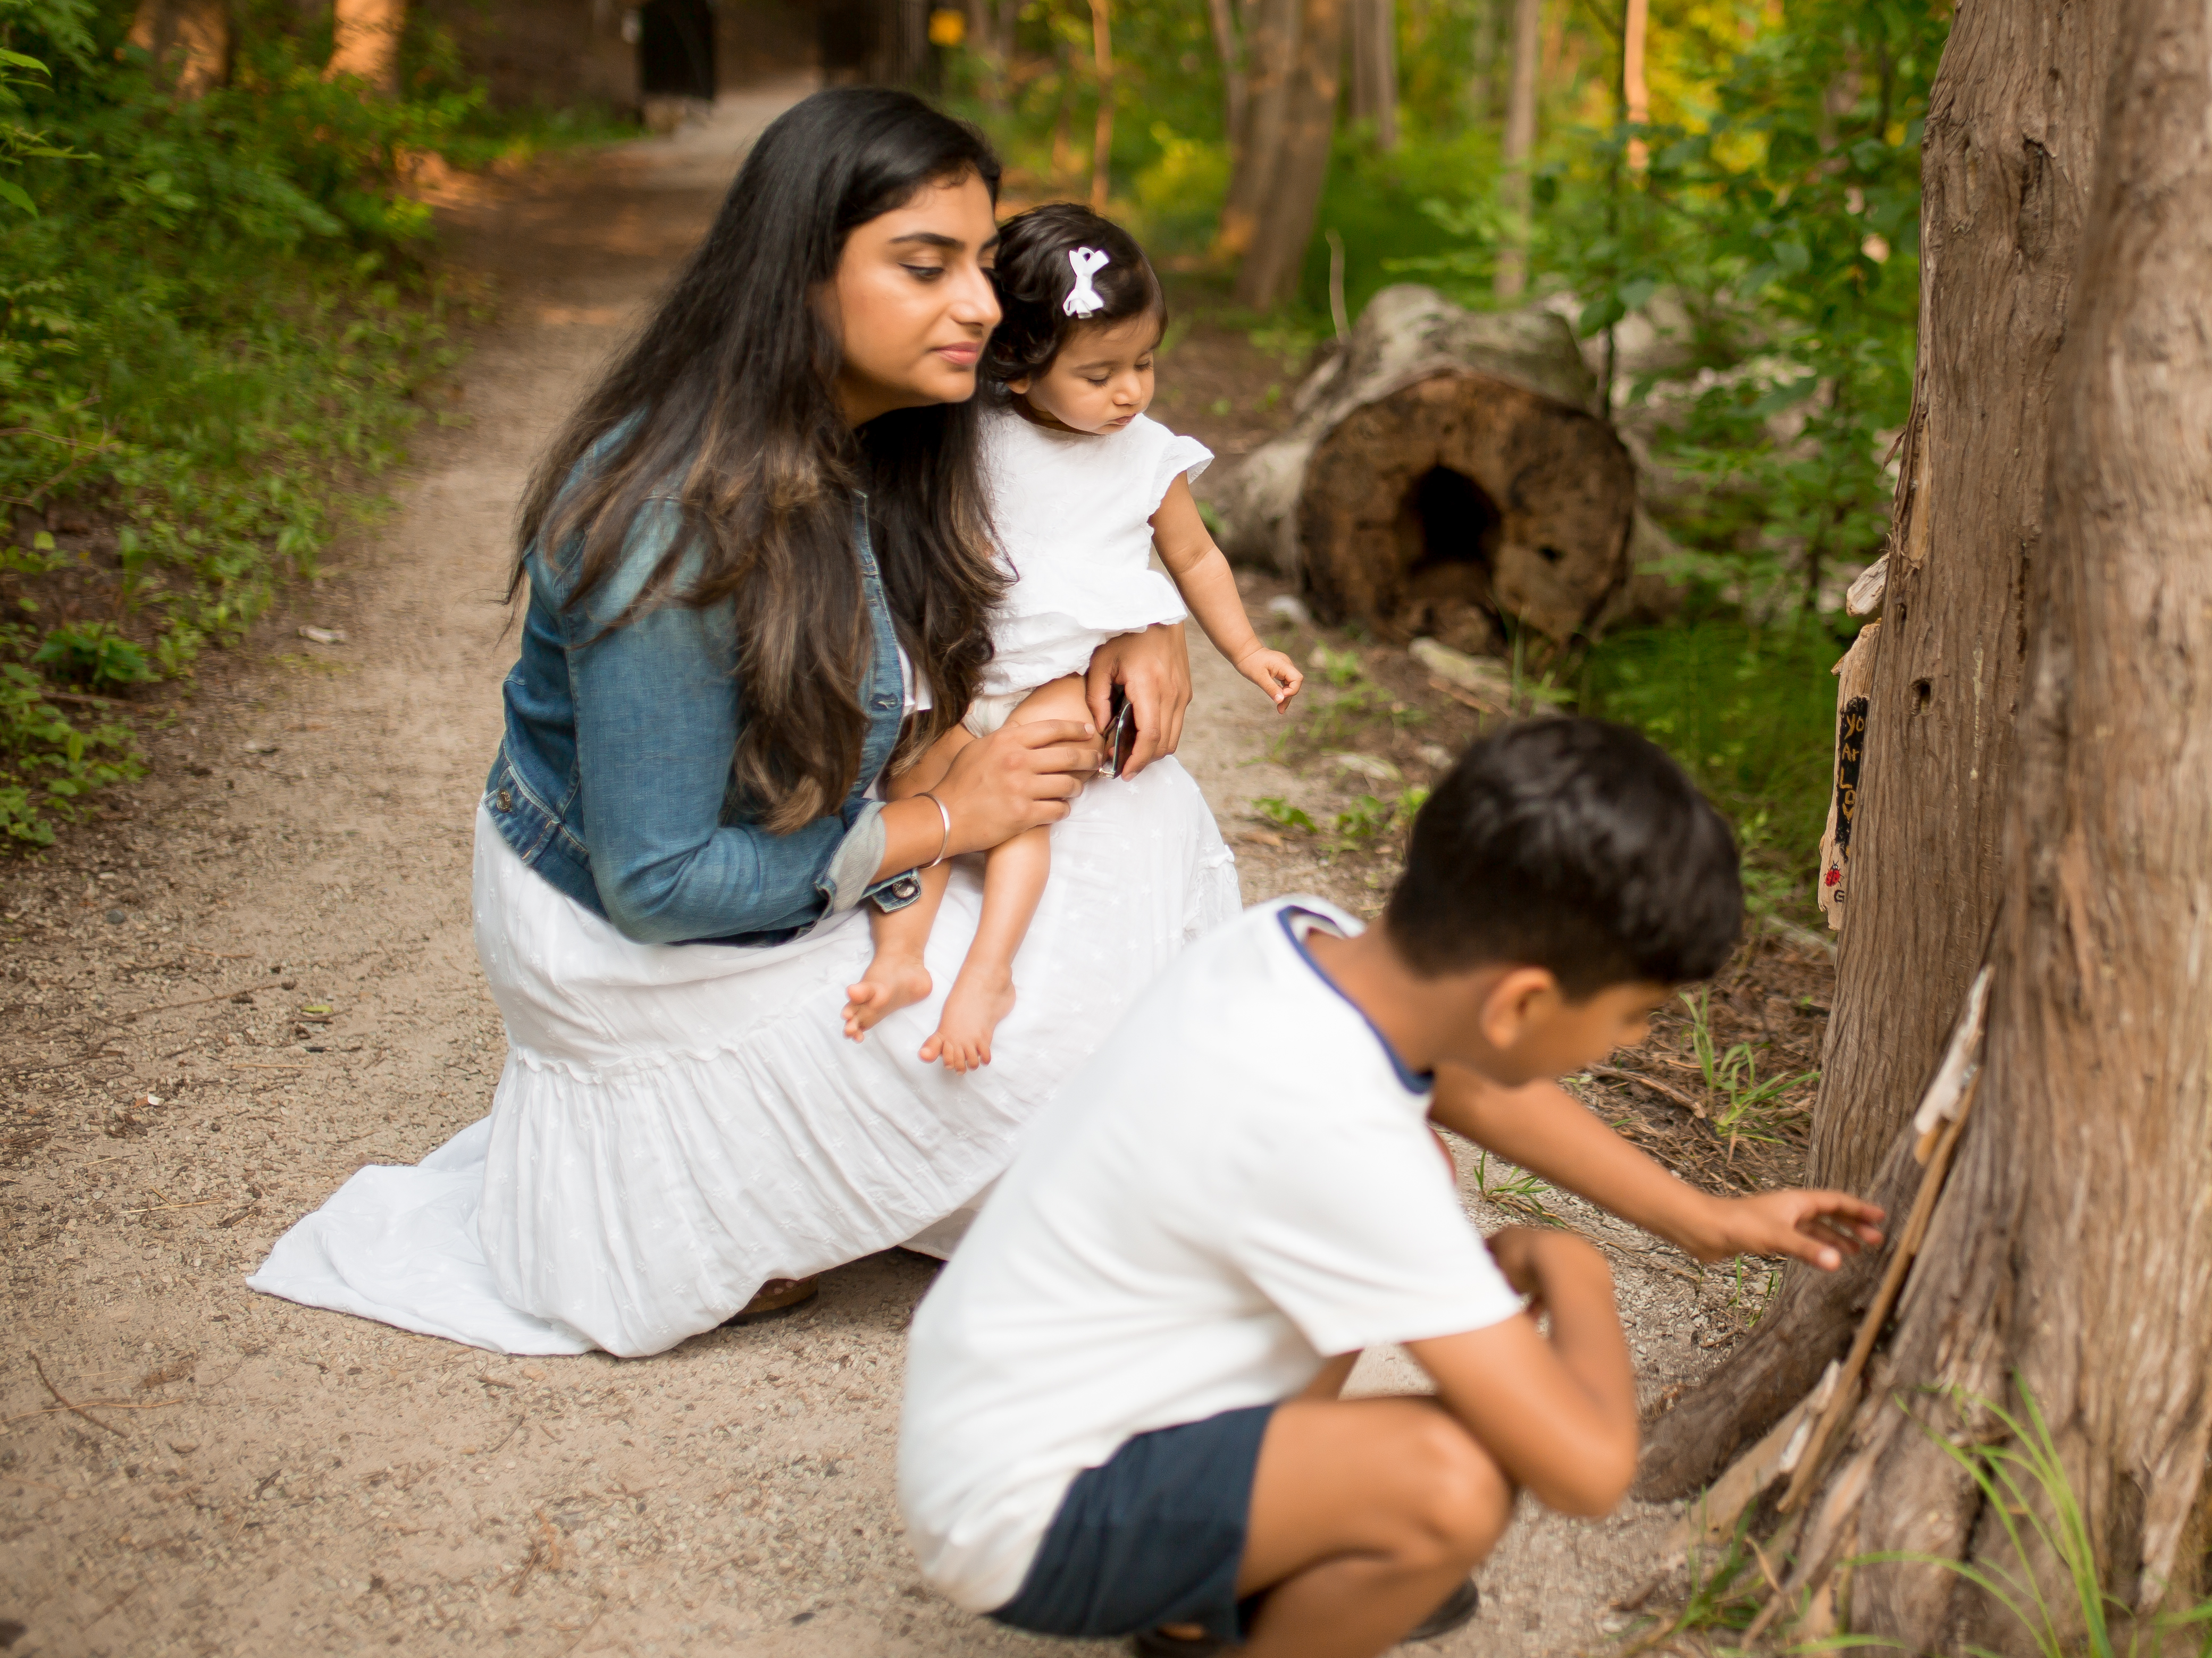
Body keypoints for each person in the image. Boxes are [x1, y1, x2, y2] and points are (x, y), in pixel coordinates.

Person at [249, 88, 1239, 1359]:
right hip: (649, 937)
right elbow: (658, 881)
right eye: (924, 266)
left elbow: (1080, 530)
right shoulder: (668, 519)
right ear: (800, 277)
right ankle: (746, 1174)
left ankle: (863, 1163)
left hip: (806, 846)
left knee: (1132, 824)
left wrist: (1143, 635)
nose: (985, 307)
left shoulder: (909, 428)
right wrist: (946, 817)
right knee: (1055, 1037)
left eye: (984, 267)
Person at [901, 717, 1887, 1658]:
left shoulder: (1300, 946)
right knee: (1449, 1486)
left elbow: (1465, 1079)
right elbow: (1586, 1469)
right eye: (1635, 1016)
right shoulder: (1334, 1135)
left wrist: (1701, 1219)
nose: (1631, 1041)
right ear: (1526, 1003)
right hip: (1024, 1511)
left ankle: (1226, 1579)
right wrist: (1578, 1273)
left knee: (1408, 1181)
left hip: (998, 1404)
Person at [848, 205, 1301, 1071]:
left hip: (1061, 673)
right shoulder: (967, 436)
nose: (1130, 391)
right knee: (921, 786)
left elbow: (1197, 558)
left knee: (1027, 796)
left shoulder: (1147, 454)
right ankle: (900, 959)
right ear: (1017, 371)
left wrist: (1245, 651)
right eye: (1099, 374)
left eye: (1144, 363)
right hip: (966, 668)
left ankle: (990, 971)